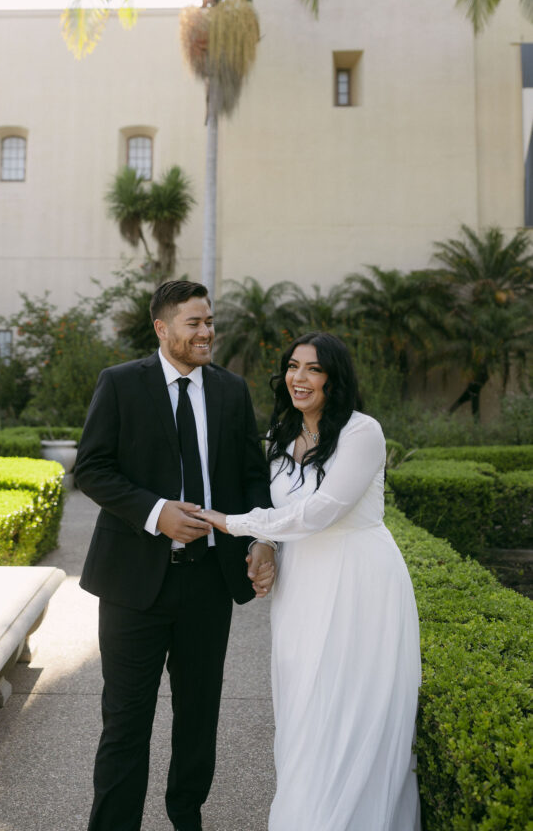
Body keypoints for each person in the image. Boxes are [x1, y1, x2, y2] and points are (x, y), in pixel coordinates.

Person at [75, 279, 275, 831]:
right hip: (132, 583)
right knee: (125, 722)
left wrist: (262, 539)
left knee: (198, 720)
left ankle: (187, 818)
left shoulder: (232, 392)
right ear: (162, 329)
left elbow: (253, 479)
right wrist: (155, 511)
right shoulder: (119, 384)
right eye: (194, 323)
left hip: (209, 583)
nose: (207, 331)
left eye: (210, 321)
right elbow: (91, 468)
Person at [201, 332, 422, 831]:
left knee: (350, 706)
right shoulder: (280, 436)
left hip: (359, 582)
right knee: (303, 705)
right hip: (301, 588)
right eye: (292, 367)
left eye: (313, 369)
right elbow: (287, 516)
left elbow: (321, 512)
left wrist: (235, 523)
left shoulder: (363, 432)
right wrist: (266, 547)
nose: (299, 378)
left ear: (334, 378)